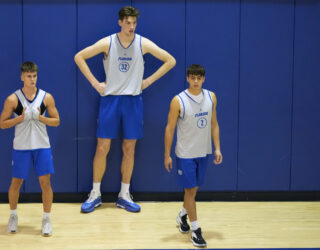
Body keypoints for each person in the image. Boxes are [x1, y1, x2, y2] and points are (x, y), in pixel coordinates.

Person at [74, 6, 176, 213]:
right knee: (102, 147)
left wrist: (147, 81)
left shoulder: (142, 43)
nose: (131, 26)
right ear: (119, 22)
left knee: (129, 148)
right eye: (127, 22)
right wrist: (95, 83)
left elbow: (170, 60)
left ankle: (124, 194)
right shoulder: (108, 42)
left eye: (134, 23)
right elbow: (79, 57)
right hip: (110, 100)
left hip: (133, 101)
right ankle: (95, 194)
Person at [164, 64, 222, 247]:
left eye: (199, 78)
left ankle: (182, 215)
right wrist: (167, 154)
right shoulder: (178, 100)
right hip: (185, 154)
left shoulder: (211, 97)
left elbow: (214, 124)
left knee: (194, 189)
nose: (196, 81)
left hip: (203, 151)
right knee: (190, 191)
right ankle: (196, 230)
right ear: (187, 79)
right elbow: (170, 129)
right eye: (193, 78)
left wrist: (217, 148)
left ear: (203, 79)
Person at [0, 61, 60, 236]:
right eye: (28, 76)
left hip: (42, 146)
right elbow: (2, 124)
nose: (32, 79)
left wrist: (41, 118)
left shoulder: (46, 97)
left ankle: (47, 219)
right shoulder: (12, 99)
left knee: (45, 183)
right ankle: (13, 216)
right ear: (22, 77)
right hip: (22, 147)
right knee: (16, 183)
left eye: (34, 76)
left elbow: (57, 121)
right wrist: (20, 119)